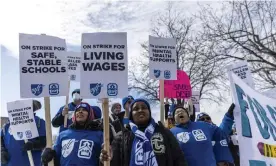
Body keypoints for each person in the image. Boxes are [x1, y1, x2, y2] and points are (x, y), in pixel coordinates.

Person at [100, 98, 188, 166]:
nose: (140, 110)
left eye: (144, 107)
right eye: (136, 109)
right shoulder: (122, 137)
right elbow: (113, 163)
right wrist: (106, 160)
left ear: (149, 112)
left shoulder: (164, 132)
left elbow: (179, 159)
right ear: (131, 114)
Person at [1, 100, 46, 166]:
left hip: (30, 162)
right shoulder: (7, 125)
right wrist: (2, 150)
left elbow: (45, 141)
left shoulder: (39, 122)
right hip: (10, 163)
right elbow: (1, 138)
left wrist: (34, 145)